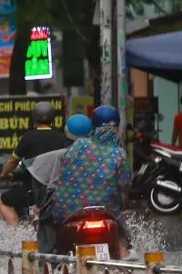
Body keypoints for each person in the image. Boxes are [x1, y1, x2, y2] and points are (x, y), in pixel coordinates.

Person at [44, 106, 133, 258]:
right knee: (122, 240)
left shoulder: (79, 145)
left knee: (51, 230)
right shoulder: (120, 154)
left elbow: (63, 168)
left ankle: (48, 262)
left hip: (68, 210)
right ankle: (126, 263)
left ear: (93, 127)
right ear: (117, 128)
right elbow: (125, 184)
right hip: (106, 210)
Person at [0, 101, 68, 226]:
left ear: (34, 119)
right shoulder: (62, 138)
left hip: (32, 190)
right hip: (56, 191)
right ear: (53, 120)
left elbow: (14, 160)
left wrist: (4, 173)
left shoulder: (28, 137)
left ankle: (15, 231)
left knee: (2, 200)